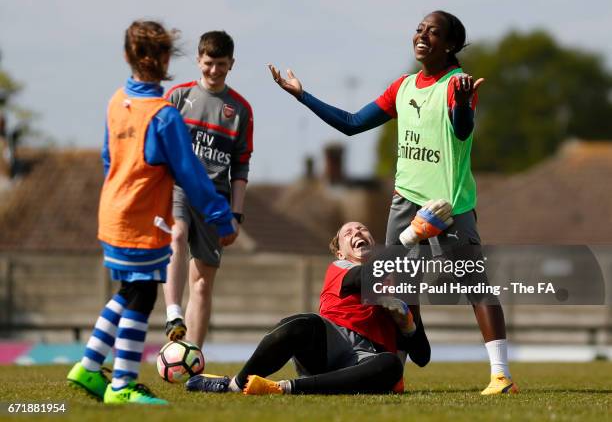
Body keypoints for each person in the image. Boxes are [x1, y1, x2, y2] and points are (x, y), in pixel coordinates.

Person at [268, 10, 518, 395]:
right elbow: (352, 123)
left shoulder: (458, 84)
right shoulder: (403, 87)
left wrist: (466, 105)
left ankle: (501, 375)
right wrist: (302, 95)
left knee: (474, 285)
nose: (422, 35)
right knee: (398, 288)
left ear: (450, 44)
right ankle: (396, 374)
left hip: (448, 205)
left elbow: (462, 129)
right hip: (405, 203)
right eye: (419, 29)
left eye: (433, 32)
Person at [66, 20, 237, 405]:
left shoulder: (116, 101)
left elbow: (107, 157)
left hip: (111, 211)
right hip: (142, 219)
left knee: (130, 291)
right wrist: (221, 217)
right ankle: (122, 383)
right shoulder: (163, 116)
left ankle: (89, 368)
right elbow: (191, 175)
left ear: (127, 56)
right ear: (165, 59)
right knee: (141, 296)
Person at [185, 202, 453, 395]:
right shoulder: (341, 269)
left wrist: (407, 324)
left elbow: (423, 356)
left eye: (362, 229)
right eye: (348, 233)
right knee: (300, 323)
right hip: (327, 348)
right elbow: (365, 278)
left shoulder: (398, 286)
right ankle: (234, 384)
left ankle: (283, 388)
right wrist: (410, 237)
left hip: (364, 361)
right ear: (340, 253)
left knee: (391, 364)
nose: (357, 233)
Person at [162, 31, 254, 349]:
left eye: (222, 65)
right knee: (175, 234)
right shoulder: (176, 97)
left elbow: (241, 166)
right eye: (209, 64)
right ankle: (173, 313)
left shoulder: (240, 109)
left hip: (215, 201)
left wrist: (236, 213)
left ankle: (191, 357)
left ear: (232, 64)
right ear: (198, 60)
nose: (214, 71)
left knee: (201, 286)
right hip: (178, 188)